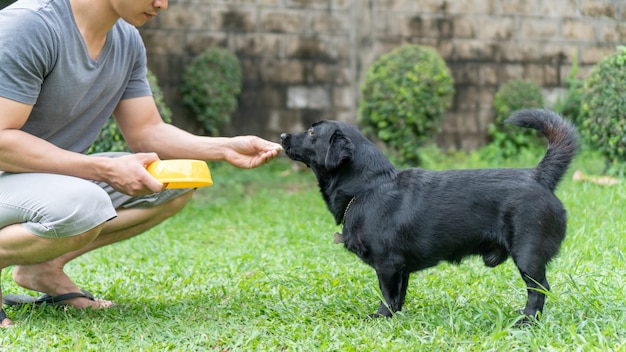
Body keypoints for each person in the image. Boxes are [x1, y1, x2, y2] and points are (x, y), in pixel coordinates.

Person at [0, 0, 282, 327]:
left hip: (34, 182)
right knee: (86, 204)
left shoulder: (126, 40)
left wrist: (224, 148)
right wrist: (103, 170)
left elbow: (147, 131)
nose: (162, 4)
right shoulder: (29, 27)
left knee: (175, 182)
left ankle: (43, 268)